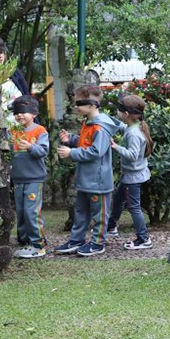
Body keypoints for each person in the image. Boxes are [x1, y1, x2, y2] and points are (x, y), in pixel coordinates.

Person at [55, 85, 119, 257]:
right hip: (85, 180)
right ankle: (77, 240)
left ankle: (97, 243)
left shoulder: (100, 127)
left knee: (100, 215)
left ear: (92, 105)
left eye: (79, 103)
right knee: (80, 212)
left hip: (98, 182)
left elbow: (96, 151)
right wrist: (71, 139)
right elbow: (86, 143)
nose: (76, 106)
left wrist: (72, 153)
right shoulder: (87, 123)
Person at [107, 94, 154, 250]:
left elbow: (133, 156)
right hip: (132, 175)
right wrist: (106, 119)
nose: (117, 111)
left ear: (126, 114)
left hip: (133, 177)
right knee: (118, 199)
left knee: (134, 207)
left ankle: (144, 238)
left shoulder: (133, 133)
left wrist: (116, 147)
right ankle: (111, 226)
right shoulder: (134, 126)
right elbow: (123, 127)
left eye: (119, 109)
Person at [9, 95, 50, 259]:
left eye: (23, 111)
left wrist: (31, 147)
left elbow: (43, 151)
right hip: (18, 179)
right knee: (21, 211)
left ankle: (38, 245)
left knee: (31, 211)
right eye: (16, 112)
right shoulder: (13, 131)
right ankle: (25, 241)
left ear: (34, 113)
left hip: (34, 179)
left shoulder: (40, 131)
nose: (19, 115)